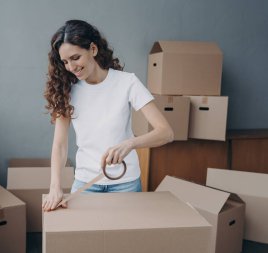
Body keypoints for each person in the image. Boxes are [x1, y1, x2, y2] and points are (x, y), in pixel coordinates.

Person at [42, 20, 173, 212]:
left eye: (75, 57)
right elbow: (60, 145)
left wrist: (130, 143)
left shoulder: (128, 83)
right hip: (85, 183)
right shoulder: (67, 91)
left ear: (93, 49)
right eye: (65, 61)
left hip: (125, 184)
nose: (70, 67)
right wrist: (55, 187)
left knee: (124, 241)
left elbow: (166, 132)